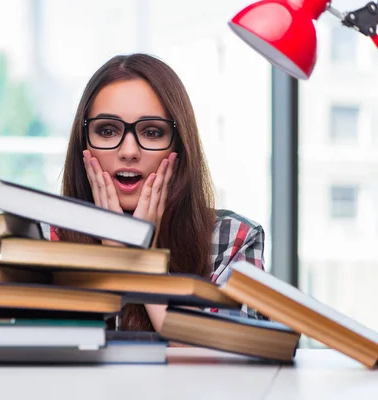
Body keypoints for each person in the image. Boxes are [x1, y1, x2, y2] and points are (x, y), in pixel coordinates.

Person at [45, 53, 265, 332]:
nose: (128, 152)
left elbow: (233, 360)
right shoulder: (45, 240)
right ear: (83, 145)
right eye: (108, 130)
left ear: (179, 148)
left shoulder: (233, 238)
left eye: (151, 132)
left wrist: (140, 260)